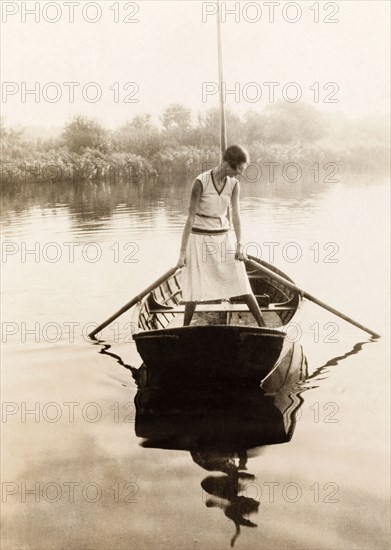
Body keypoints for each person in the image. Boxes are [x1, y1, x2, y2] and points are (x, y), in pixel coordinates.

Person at [177, 145, 266, 327]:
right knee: (194, 287)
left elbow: (236, 216)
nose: (239, 174)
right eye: (238, 169)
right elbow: (190, 217)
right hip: (198, 238)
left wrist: (240, 244)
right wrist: (182, 254)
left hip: (223, 237)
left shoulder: (234, 185)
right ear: (227, 164)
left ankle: (262, 324)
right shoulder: (200, 182)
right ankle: (185, 328)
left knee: (241, 281)